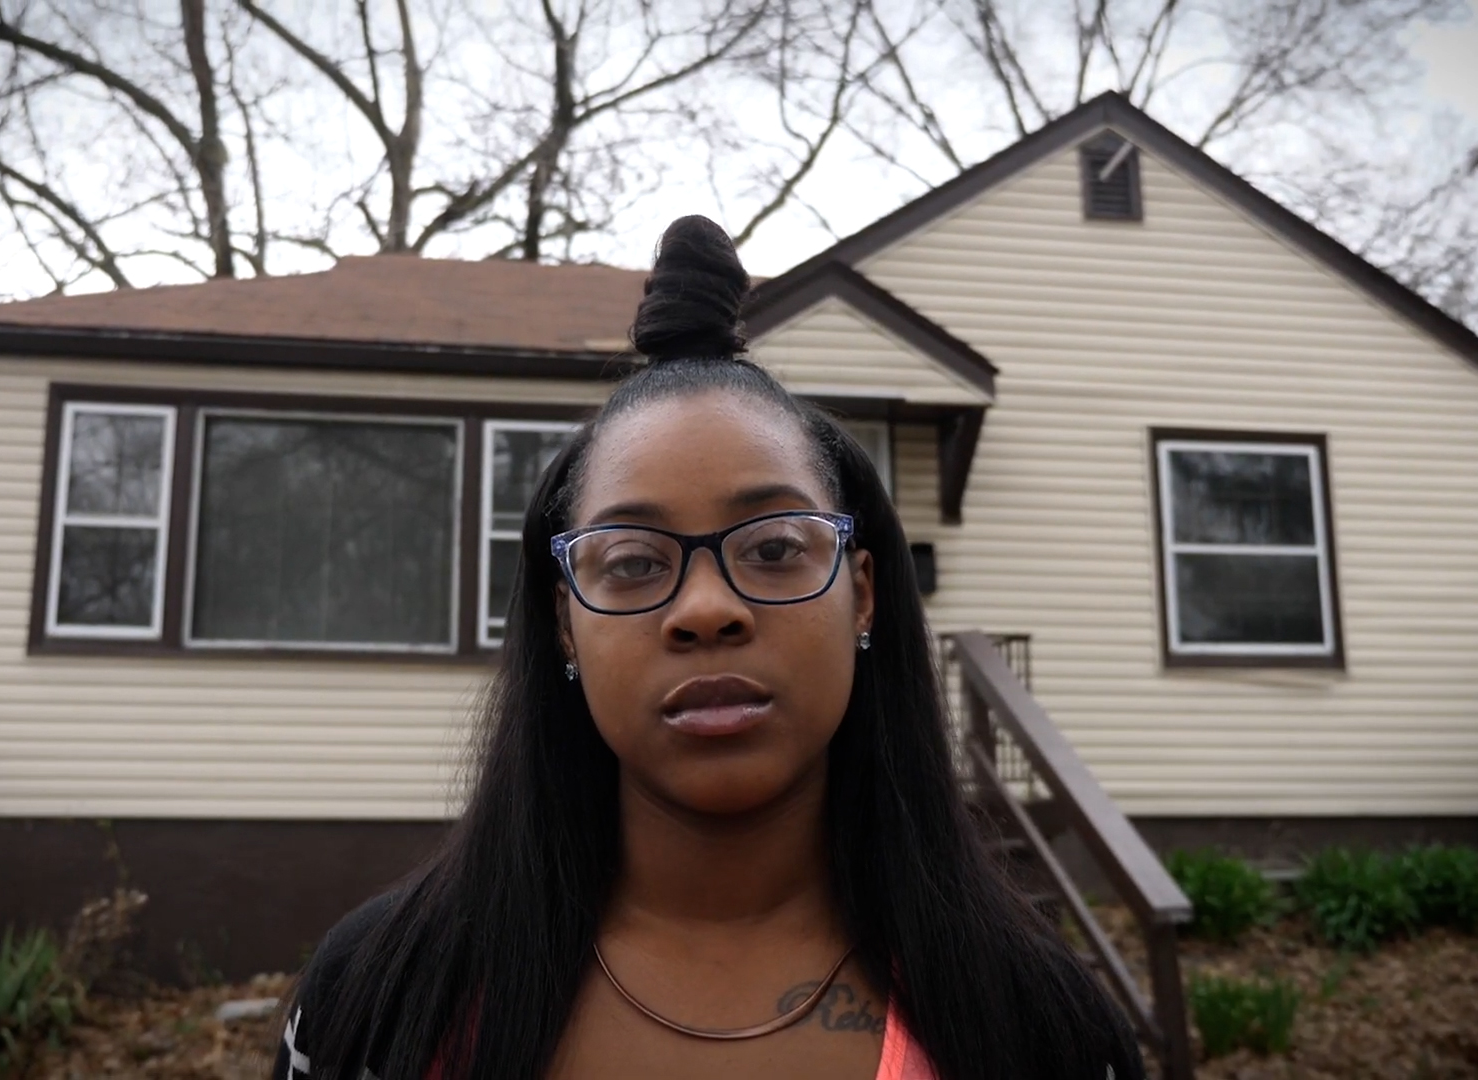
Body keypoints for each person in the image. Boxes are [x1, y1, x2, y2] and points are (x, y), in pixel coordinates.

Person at [273, 216, 1144, 1080]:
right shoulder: (378, 1000)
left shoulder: (1040, 1032)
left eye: (772, 548)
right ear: (566, 620)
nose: (705, 609)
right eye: (633, 562)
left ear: (863, 594)